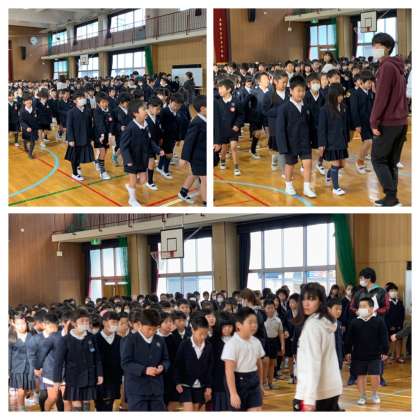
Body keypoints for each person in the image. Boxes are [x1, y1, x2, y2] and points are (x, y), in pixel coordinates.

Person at [370, 33, 408, 207]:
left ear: (387, 48)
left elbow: (381, 99)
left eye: (378, 46)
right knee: (391, 161)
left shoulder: (386, 67)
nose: (375, 49)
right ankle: (392, 198)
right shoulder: (398, 67)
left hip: (388, 122)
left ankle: (391, 195)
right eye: (374, 46)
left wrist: (374, 121)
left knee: (378, 159)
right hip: (401, 121)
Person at [293, 283, 342, 411]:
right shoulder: (325, 321)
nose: (306, 303)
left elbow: (313, 363)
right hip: (331, 388)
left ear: (320, 302)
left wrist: (309, 398)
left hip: (315, 393)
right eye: (304, 299)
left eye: (311, 299)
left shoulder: (313, 325)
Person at [54, 309, 103, 411]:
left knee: (87, 402)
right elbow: (58, 362)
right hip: (73, 377)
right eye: (82, 321)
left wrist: (100, 374)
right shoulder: (65, 340)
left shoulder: (91, 338)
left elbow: (97, 358)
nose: (85, 323)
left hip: (89, 375)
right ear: (74, 323)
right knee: (76, 404)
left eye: (87, 321)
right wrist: (57, 379)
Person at [120, 309, 170, 411]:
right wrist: (144, 370)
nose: (152, 332)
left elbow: (166, 359)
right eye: (149, 329)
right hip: (136, 391)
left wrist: (163, 367)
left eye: (155, 329)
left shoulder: (160, 340)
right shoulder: (130, 340)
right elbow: (125, 363)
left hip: (156, 390)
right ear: (140, 325)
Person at [276, 74, 317, 198]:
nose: (301, 93)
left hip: (305, 141)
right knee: (290, 164)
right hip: (290, 142)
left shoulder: (307, 108)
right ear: (291, 91)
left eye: (303, 91)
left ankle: (307, 187)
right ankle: (288, 185)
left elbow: (311, 126)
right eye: (298, 91)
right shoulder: (284, 108)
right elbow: (280, 129)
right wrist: (283, 147)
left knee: (308, 163)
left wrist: (314, 142)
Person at [345, 297, 389, 405]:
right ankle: (362, 396)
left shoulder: (379, 321)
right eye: (360, 306)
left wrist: (385, 351)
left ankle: (374, 394)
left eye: (364, 306)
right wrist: (347, 351)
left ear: (371, 308)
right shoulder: (354, 322)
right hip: (358, 354)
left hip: (375, 354)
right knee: (360, 376)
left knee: (375, 375)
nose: (361, 308)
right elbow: (349, 338)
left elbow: (384, 337)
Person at [120, 99, 163, 207]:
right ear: (135, 113)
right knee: (133, 179)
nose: (146, 111)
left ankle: (130, 186)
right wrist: (128, 160)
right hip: (131, 159)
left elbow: (150, 141)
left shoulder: (145, 125)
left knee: (143, 180)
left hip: (142, 158)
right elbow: (123, 146)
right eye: (143, 109)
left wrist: (158, 149)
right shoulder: (130, 128)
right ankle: (132, 199)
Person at [221, 307, 265, 411]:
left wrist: (260, 384)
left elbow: (259, 364)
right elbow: (229, 371)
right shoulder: (232, 344)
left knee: (257, 410)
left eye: (255, 322)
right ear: (238, 325)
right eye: (250, 322)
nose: (254, 325)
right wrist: (233, 393)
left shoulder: (256, 342)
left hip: (253, 379)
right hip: (238, 381)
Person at [174, 315, 214, 411]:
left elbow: (210, 368)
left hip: (201, 385)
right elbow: (177, 365)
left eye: (205, 334)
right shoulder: (184, 344)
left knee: (198, 409)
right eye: (200, 334)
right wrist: (177, 382)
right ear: (193, 330)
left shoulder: (209, 346)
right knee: (189, 410)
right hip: (186, 384)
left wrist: (209, 386)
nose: (203, 337)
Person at [318, 83, 350, 195]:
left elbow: (345, 125)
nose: (341, 97)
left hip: (342, 141)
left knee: (342, 165)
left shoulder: (344, 107)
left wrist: (347, 139)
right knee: (336, 164)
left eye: (342, 95)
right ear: (332, 95)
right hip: (331, 142)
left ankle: (329, 174)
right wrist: (321, 144)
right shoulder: (324, 110)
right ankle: (336, 188)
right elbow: (321, 129)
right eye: (339, 95)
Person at [178, 95, 207, 205]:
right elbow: (188, 141)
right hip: (197, 156)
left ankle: (183, 191)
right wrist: (184, 158)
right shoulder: (196, 122)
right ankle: (206, 202)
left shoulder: (206, 119)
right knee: (205, 179)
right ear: (202, 109)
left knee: (195, 174)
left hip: (204, 155)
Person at [94, 311, 123, 411]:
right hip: (100, 378)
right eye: (113, 322)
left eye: (117, 323)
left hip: (115, 378)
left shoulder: (120, 339)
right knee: (100, 405)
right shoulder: (95, 339)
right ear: (104, 322)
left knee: (110, 404)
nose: (115, 325)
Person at [65, 91, 94, 181]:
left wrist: (91, 137)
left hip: (85, 137)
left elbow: (90, 125)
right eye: (79, 98)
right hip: (75, 138)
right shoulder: (71, 112)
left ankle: (77, 166)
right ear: (75, 101)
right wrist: (70, 139)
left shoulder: (87, 111)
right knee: (74, 156)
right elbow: (69, 126)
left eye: (83, 98)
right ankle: (74, 173)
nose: (82, 100)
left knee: (80, 155)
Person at [209, 312, 235, 411]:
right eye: (224, 326)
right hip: (218, 382)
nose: (227, 329)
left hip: (235, 380)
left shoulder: (237, 340)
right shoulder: (212, 342)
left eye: (230, 326)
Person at [9, 314, 35, 411]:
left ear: (26, 324)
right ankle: (21, 408)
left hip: (30, 368)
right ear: (14, 324)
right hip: (17, 368)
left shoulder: (31, 336)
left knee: (27, 389)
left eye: (23, 323)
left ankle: (25, 401)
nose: (21, 326)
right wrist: (8, 370)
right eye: (18, 324)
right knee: (21, 389)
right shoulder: (11, 337)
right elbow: (8, 355)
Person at [385, 283, 405, 363]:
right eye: (391, 291)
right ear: (388, 293)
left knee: (399, 339)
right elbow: (386, 316)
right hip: (390, 326)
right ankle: (389, 356)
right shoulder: (386, 303)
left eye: (395, 290)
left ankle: (398, 356)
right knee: (389, 341)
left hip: (399, 325)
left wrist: (400, 324)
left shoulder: (400, 302)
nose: (393, 292)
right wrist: (390, 325)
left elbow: (402, 315)